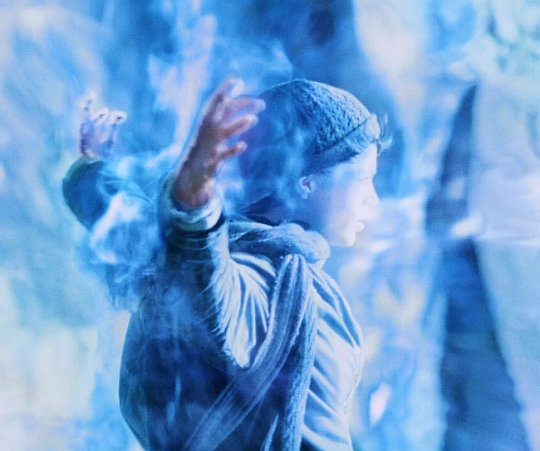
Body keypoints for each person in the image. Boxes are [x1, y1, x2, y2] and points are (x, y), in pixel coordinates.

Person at [63, 77, 384, 450]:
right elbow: (211, 289)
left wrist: (92, 168)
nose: (372, 201)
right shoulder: (271, 284)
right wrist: (194, 205)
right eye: (364, 179)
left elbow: (127, 222)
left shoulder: (171, 255)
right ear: (306, 181)